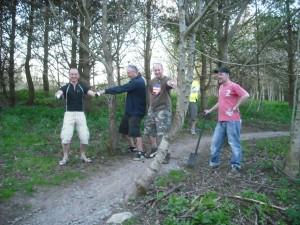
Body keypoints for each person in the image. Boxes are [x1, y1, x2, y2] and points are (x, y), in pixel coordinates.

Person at [204, 67, 249, 172]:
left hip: (233, 120)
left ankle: (236, 165)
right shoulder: (221, 88)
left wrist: (236, 106)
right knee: (215, 142)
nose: (218, 76)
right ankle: (214, 163)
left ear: (227, 75)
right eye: (217, 74)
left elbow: (246, 95)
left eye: (221, 74)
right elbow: (220, 102)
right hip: (221, 120)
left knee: (234, 143)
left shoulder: (233, 86)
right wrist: (210, 110)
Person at [98, 65, 147, 161]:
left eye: (129, 72)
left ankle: (141, 153)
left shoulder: (138, 82)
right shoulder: (134, 80)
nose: (128, 74)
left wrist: (105, 91)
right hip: (129, 111)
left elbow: (121, 89)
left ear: (134, 72)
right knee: (124, 131)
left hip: (136, 112)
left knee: (135, 132)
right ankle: (133, 147)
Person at [55, 68, 100, 166]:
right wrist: (58, 95)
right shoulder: (65, 87)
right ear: (69, 75)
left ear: (78, 76)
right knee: (65, 137)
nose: (73, 76)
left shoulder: (82, 86)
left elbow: (91, 93)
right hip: (69, 114)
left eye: (75, 74)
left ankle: (83, 155)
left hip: (80, 114)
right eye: (71, 74)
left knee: (84, 137)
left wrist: (96, 94)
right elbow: (59, 92)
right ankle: (65, 156)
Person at [143, 63, 177, 163]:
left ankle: (165, 155)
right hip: (152, 110)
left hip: (163, 110)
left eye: (159, 70)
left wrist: (173, 84)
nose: (157, 72)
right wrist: (150, 107)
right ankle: (154, 148)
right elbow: (151, 95)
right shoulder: (152, 81)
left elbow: (170, 84)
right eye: (155, 70)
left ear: (162, 69)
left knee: (162, 134)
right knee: (149, 131)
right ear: (153, 71)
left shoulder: (166, 79)